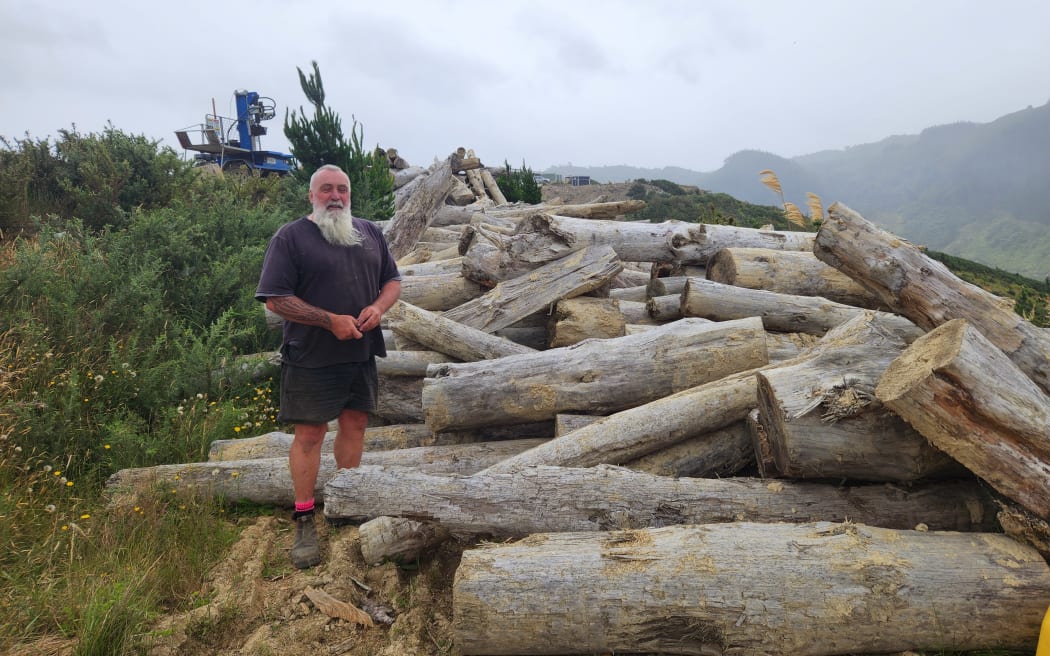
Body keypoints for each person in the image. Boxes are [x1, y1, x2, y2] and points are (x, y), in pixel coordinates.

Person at [255, 164, 402, 569]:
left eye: (342, 189)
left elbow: (392, 281)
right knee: (309, 435)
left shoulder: (369, 232)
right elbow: (274, 299)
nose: (335, 196)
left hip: (360, 352)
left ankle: (344, 501)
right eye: (326, 190)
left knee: (355, 425)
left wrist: (377, 307)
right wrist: (328, 320)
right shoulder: (291, 237)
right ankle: (304, 518)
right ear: (311, 196)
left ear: (349, 195)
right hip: (310, 355)